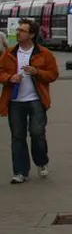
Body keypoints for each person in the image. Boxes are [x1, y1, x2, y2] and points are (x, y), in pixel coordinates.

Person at [0, 18, 59, 184]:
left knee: (37, 134)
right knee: (17, 137)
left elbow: (53, 74)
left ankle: (41, 162)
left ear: (31, 34)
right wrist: (9, 78)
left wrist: (37, 72)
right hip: (15, 102)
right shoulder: (9, 53)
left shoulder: (44, 53)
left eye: (22, 30)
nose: (18, 32)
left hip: (36, 101)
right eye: (18, 30)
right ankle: (20, 172)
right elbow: (0, 72)